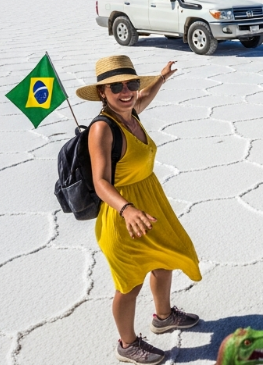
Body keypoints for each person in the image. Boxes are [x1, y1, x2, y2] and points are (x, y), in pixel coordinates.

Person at [77, 55, 202, 365]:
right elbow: (101, 182)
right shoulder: (102, 129)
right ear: (102, 93)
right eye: (116, 87)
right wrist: (127, 209)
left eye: (131, 83)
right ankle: (127, 344)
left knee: (166, 258)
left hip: (150, 202)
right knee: (129, 284)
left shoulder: (131, 113)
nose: (126, 91)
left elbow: (143, 97)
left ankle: (162, 317)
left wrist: (160, 78)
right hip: (122, 215)